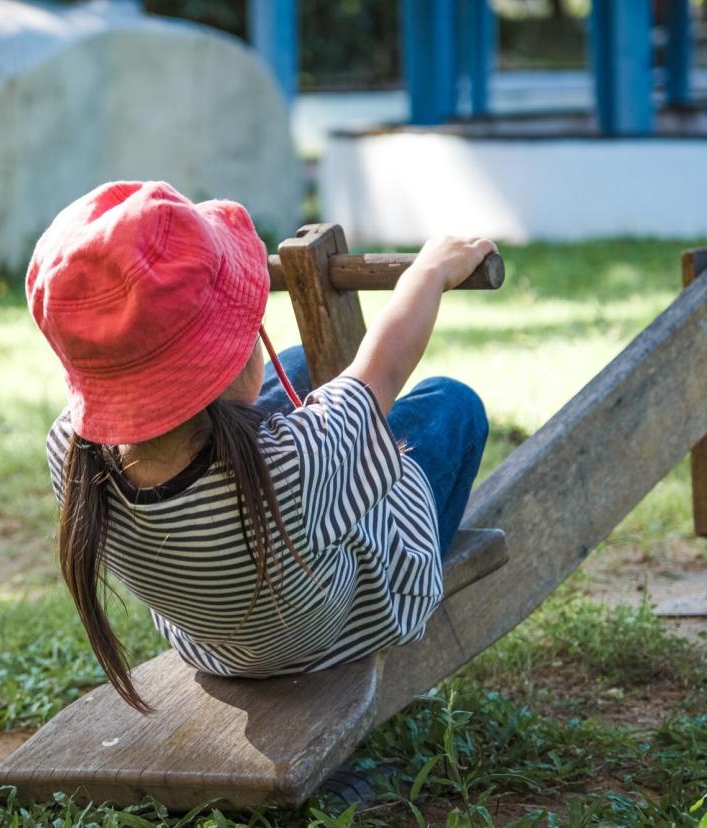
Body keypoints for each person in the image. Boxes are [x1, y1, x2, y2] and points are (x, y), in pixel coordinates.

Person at [27, 181, 493, 713]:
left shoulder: (71, 452)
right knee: (451, 405)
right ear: (223, 356)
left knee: (295, 363)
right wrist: (429, 271)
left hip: (214, 648)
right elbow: (384, 364)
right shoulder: (295, 463)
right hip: (349, 624)